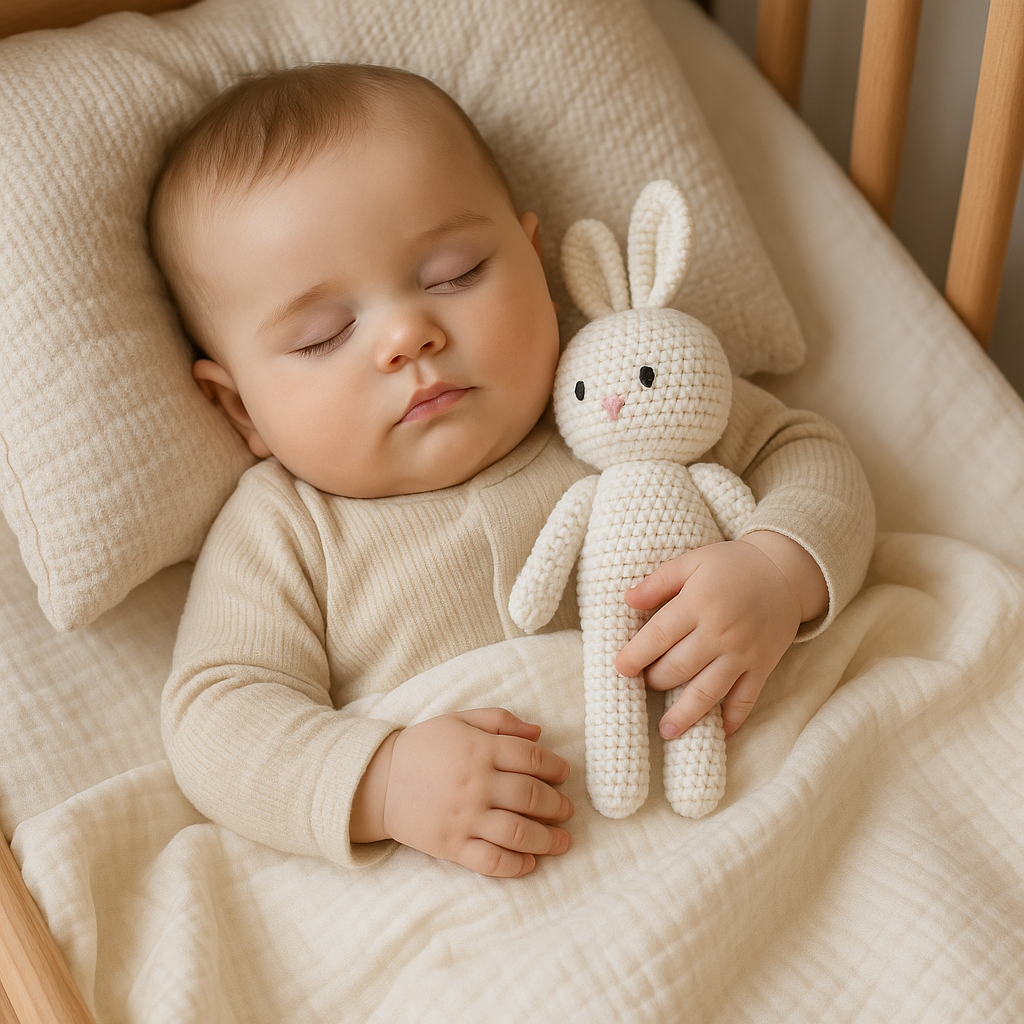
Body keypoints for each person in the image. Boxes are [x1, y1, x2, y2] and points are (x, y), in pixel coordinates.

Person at [150, 63, 875, 880]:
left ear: (535, 262)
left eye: (454, 274)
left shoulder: (614, 402)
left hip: (754, 816)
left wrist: (776, 573)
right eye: (323, 334)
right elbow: (217, 718)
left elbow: (807, 455)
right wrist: (383, 780)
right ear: (242, 409)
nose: (406, 336)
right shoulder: (287, 527)